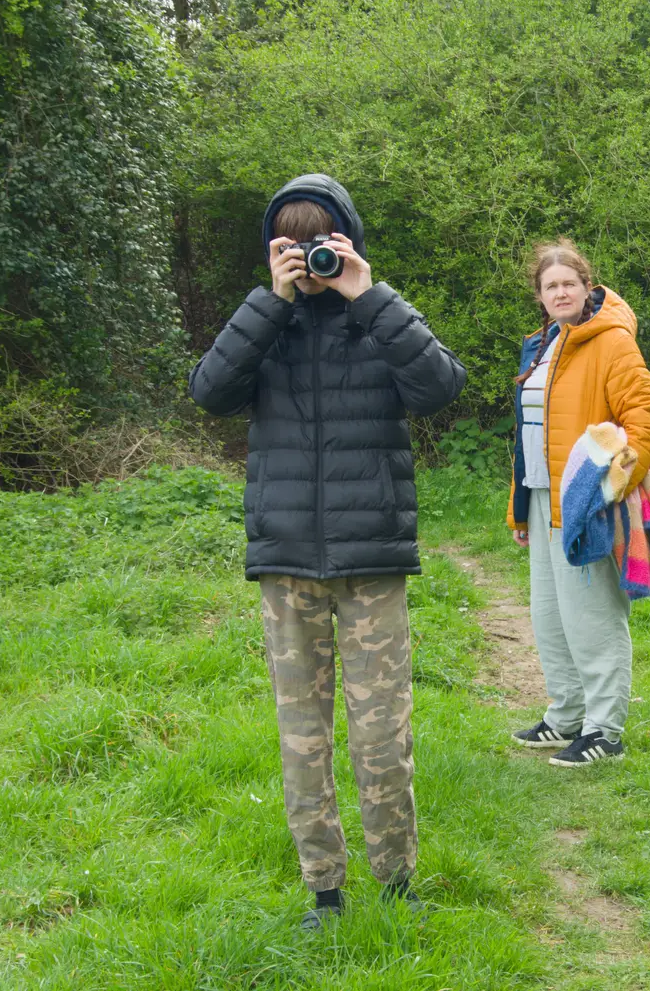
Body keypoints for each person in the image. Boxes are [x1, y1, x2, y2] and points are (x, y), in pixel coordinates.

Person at [189, 174, 466, 929]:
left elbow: (442, 386)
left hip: (371, 560)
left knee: (383, 733)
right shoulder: (266, 324)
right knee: (302, 737)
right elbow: (208, 391)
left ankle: (397, 882)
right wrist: (268, 301)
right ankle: (325, 890)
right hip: (286, 563)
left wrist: (368, 293)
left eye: (322, 241)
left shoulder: (375, 320)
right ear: (274, 250)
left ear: (346, 241)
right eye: (293, 243)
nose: (309, 256)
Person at [506, 239, 650, 767]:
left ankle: (604, 731)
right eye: (550, 286)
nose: (560, 292)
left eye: (569, 282)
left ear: (587, 286)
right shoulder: (540, 346)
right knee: (551, 615)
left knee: (593, 616)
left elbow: (645, 422)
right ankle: (566, 715)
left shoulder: (612, 342)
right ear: (540, 295)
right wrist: (519, 506)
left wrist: (609, 490)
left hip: (586, 502)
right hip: (539, 497)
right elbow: (529, 430)